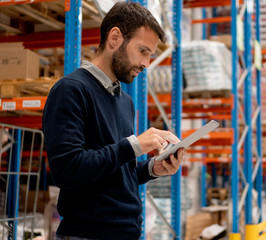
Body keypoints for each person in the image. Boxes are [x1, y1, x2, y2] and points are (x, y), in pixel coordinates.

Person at [42, 2, 185, 240]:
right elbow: (67, 171)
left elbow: (112, 173)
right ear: (115, 38)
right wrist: (134, 146)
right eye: (142, 51)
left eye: (150, 55)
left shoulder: (124, 101)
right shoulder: (71, 90)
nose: (146, 64)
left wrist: (151, 169)